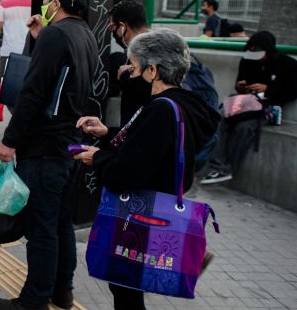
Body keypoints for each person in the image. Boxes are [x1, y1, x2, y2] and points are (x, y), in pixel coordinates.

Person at [73, 28, 220, 310]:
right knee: (128, 285)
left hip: (141, 211)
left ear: (153, 70)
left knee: (125, 287)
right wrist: (107, 133)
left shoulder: (161, 109)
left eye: (134, 67)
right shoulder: (181, 103)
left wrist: (98, 158)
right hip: (156, 206)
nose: (129, 73)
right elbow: (147, 145)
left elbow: (128, 172)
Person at [0, 0, 98, 310]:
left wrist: (9, 140)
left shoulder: (56, 35)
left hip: (43, 148)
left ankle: (34, 300)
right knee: (61, 223)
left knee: (40, 229)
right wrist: (38, 38)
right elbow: (59, 81)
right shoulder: (85, 35)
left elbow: (33, 93)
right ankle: (62, 291)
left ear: (59, 3)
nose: (45, 3)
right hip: (69, 146)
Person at [200, 31, 297, 184]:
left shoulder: (289, 64)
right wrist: (241, 86)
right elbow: (240, 84)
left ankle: (226, 169)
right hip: (243, 103)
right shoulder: (247, 60)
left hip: (267, 107)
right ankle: (217, 166)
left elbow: (292, 94)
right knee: (219, 118)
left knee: (244, 128)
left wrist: (267, 89)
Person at [107, 0, 152, 125]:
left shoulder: (147, 51)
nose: (113, 33)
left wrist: (130, 73)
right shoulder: (135, 50)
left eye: (113, 28)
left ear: (122, 26)